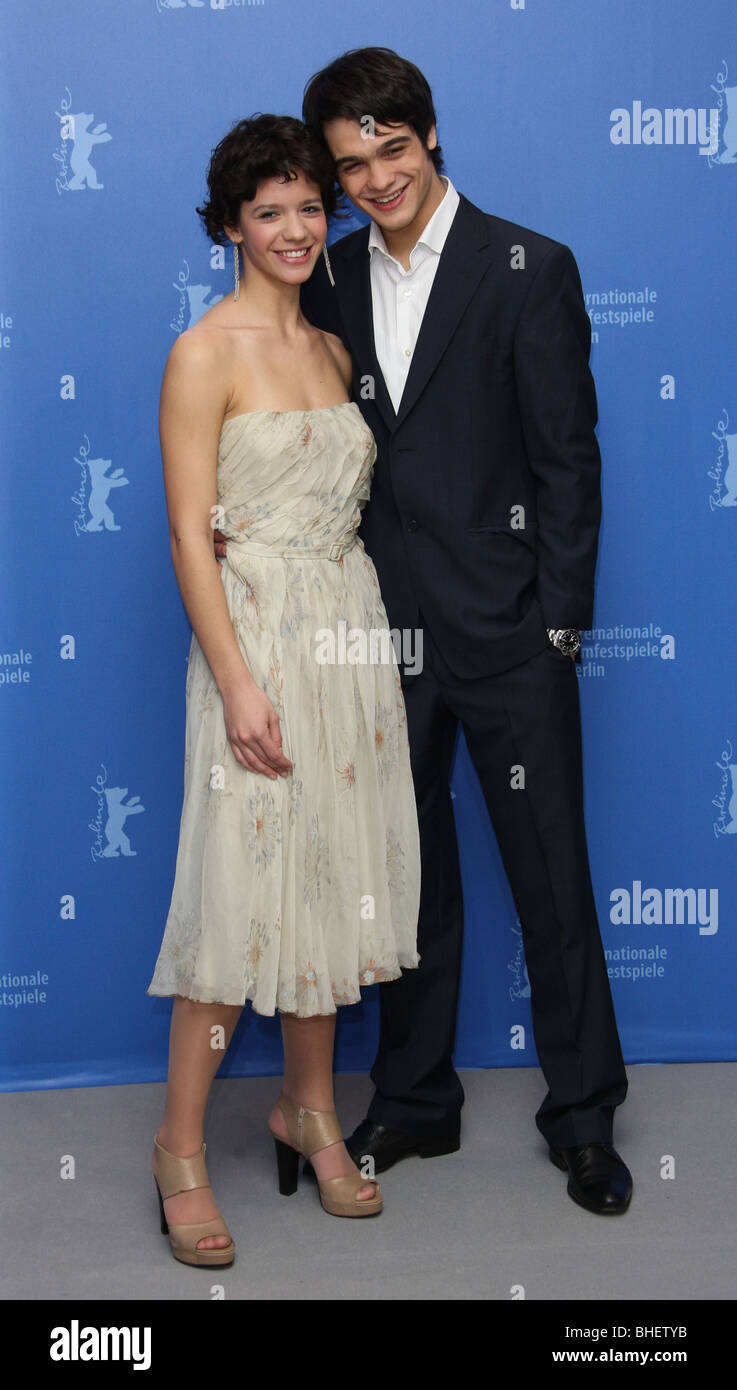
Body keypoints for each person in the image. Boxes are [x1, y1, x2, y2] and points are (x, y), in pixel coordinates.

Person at [218, 46, 633, 1217]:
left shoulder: (526, 267)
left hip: (507, 632)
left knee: (550, 876)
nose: (372, 178)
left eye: (388, 149)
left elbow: (566, 461)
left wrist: (557, 629)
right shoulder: (327, 280)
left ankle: (583, 1116)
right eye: (347, 163)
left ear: (430, 136)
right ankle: (411, 1100)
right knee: (394, 885)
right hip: (373, 637)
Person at [147, 113, 421, 1267]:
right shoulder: (202, 352)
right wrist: (237, 682)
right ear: (229, 226)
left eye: (314, 207)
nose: (298, 228)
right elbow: (185, 536)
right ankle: (179, 1148)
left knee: (331, 879)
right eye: (271, 211)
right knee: (242, 884)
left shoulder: (328, 348)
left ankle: (307, 1110)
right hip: (252, 646)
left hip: (345, 638)